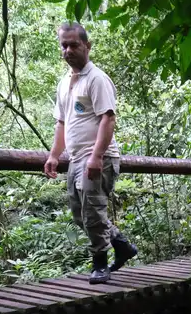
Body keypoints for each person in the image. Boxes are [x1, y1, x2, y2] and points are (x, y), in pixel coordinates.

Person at [43, 22, 137, 285]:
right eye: (64, 45)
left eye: (73, 45)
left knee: (93, 212)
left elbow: (108, 118)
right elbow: (62, 123)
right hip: (75, 158)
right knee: (79, 214)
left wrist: (96, 156)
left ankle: (100, 264)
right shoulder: (64, 82)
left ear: (87, 45)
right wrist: (54, 155)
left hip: (98, 157)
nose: (68, 50)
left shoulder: (96, 79)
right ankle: (121, 245)